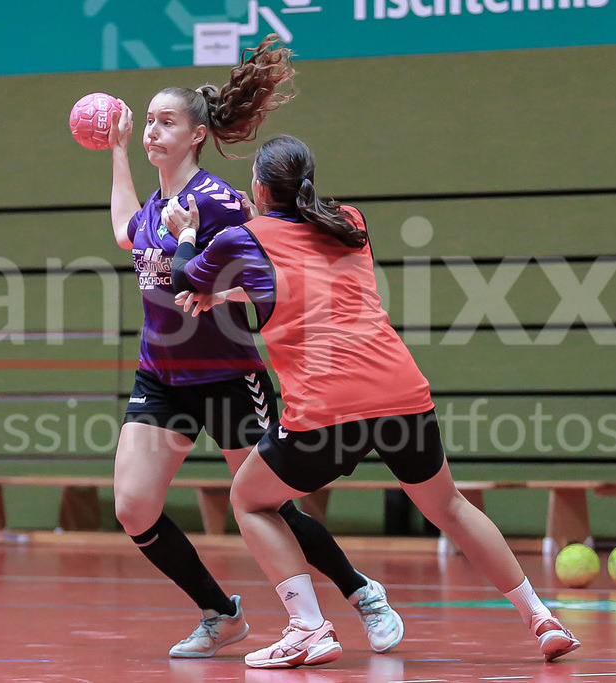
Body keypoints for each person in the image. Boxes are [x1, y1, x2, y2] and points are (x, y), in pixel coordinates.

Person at [168, 134, 582, 668]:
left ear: (260, 187)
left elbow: (181, 276)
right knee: (450, 507)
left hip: (326, 407)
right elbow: (306, 280)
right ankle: (540, 617)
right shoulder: (351, 222)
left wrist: (187, 235)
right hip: (401, 394)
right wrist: (228, 287)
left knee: (250, 499)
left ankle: (308, 627)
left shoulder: (241, 239)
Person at [105, 36, 403, 659]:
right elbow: (125, 230)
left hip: (229, 375)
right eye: (149, 122)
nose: (153, 131)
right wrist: (118, 155)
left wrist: (221, 293)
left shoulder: (222, 203)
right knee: (133, 508)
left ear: (195, 136)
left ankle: (361, 592)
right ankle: (220, 612)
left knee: (267, 503)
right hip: (162, 377)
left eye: (165, 123)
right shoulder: (158, 207)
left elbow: (268, 264)